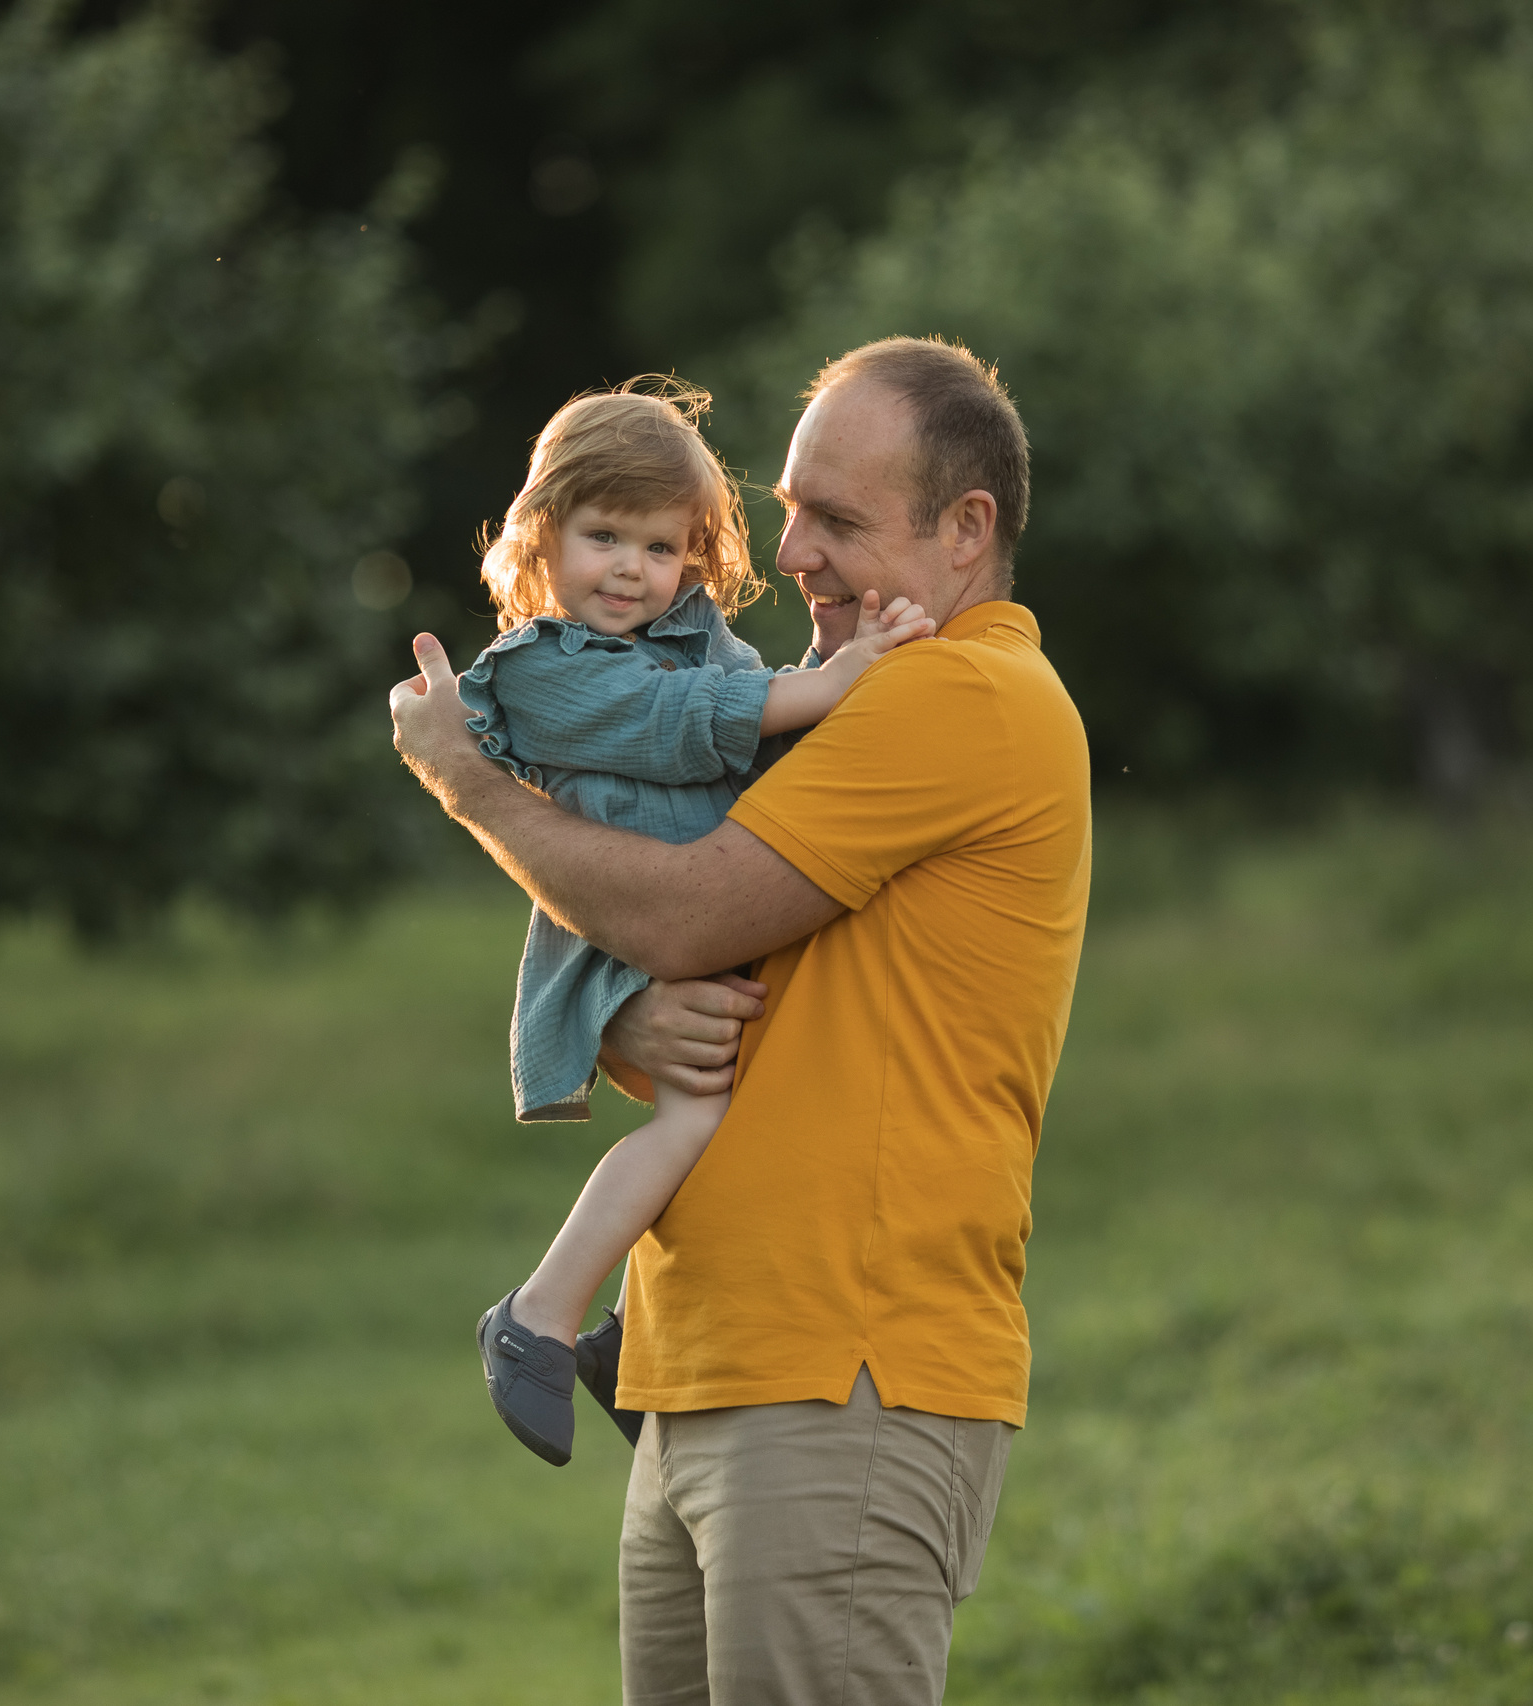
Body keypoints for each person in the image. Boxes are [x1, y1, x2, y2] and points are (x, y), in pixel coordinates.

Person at [391, 337, 1090, 1704]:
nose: (797, 555)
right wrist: (619, 1024)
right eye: (786, 512)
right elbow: (666, 921)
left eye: (838, 519)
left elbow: (683, 911)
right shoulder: (846, 699)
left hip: (845, 1370)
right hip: (710, 1356)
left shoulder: (956, 691)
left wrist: (469, 782)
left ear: (966, 531)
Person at [452, 377, 936, 1467]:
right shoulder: (537, 671)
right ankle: (535, 1316)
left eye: (661, 546)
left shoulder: (695, 637)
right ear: (543, 537)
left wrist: (846, 656)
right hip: (622, 928)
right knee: (687, 1123)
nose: (630, 568)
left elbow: (767, 716)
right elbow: (684, 726)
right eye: (603, 535)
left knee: (747, 1111)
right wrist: (843, 677)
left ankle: (626, 1337)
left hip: (711, 910)